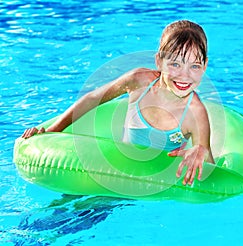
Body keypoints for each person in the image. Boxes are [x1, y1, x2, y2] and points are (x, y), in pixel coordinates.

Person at [22, 20, 215, 185]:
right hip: (113, 172)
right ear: (159, 61)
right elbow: (92, 100)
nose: (184, 76)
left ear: (205, 66)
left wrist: (201, 152)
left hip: (153, 187)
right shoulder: (139, 81)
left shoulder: (195, 112)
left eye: (195, 66)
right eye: (175, 64)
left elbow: (212, 172)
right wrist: (52, 132)